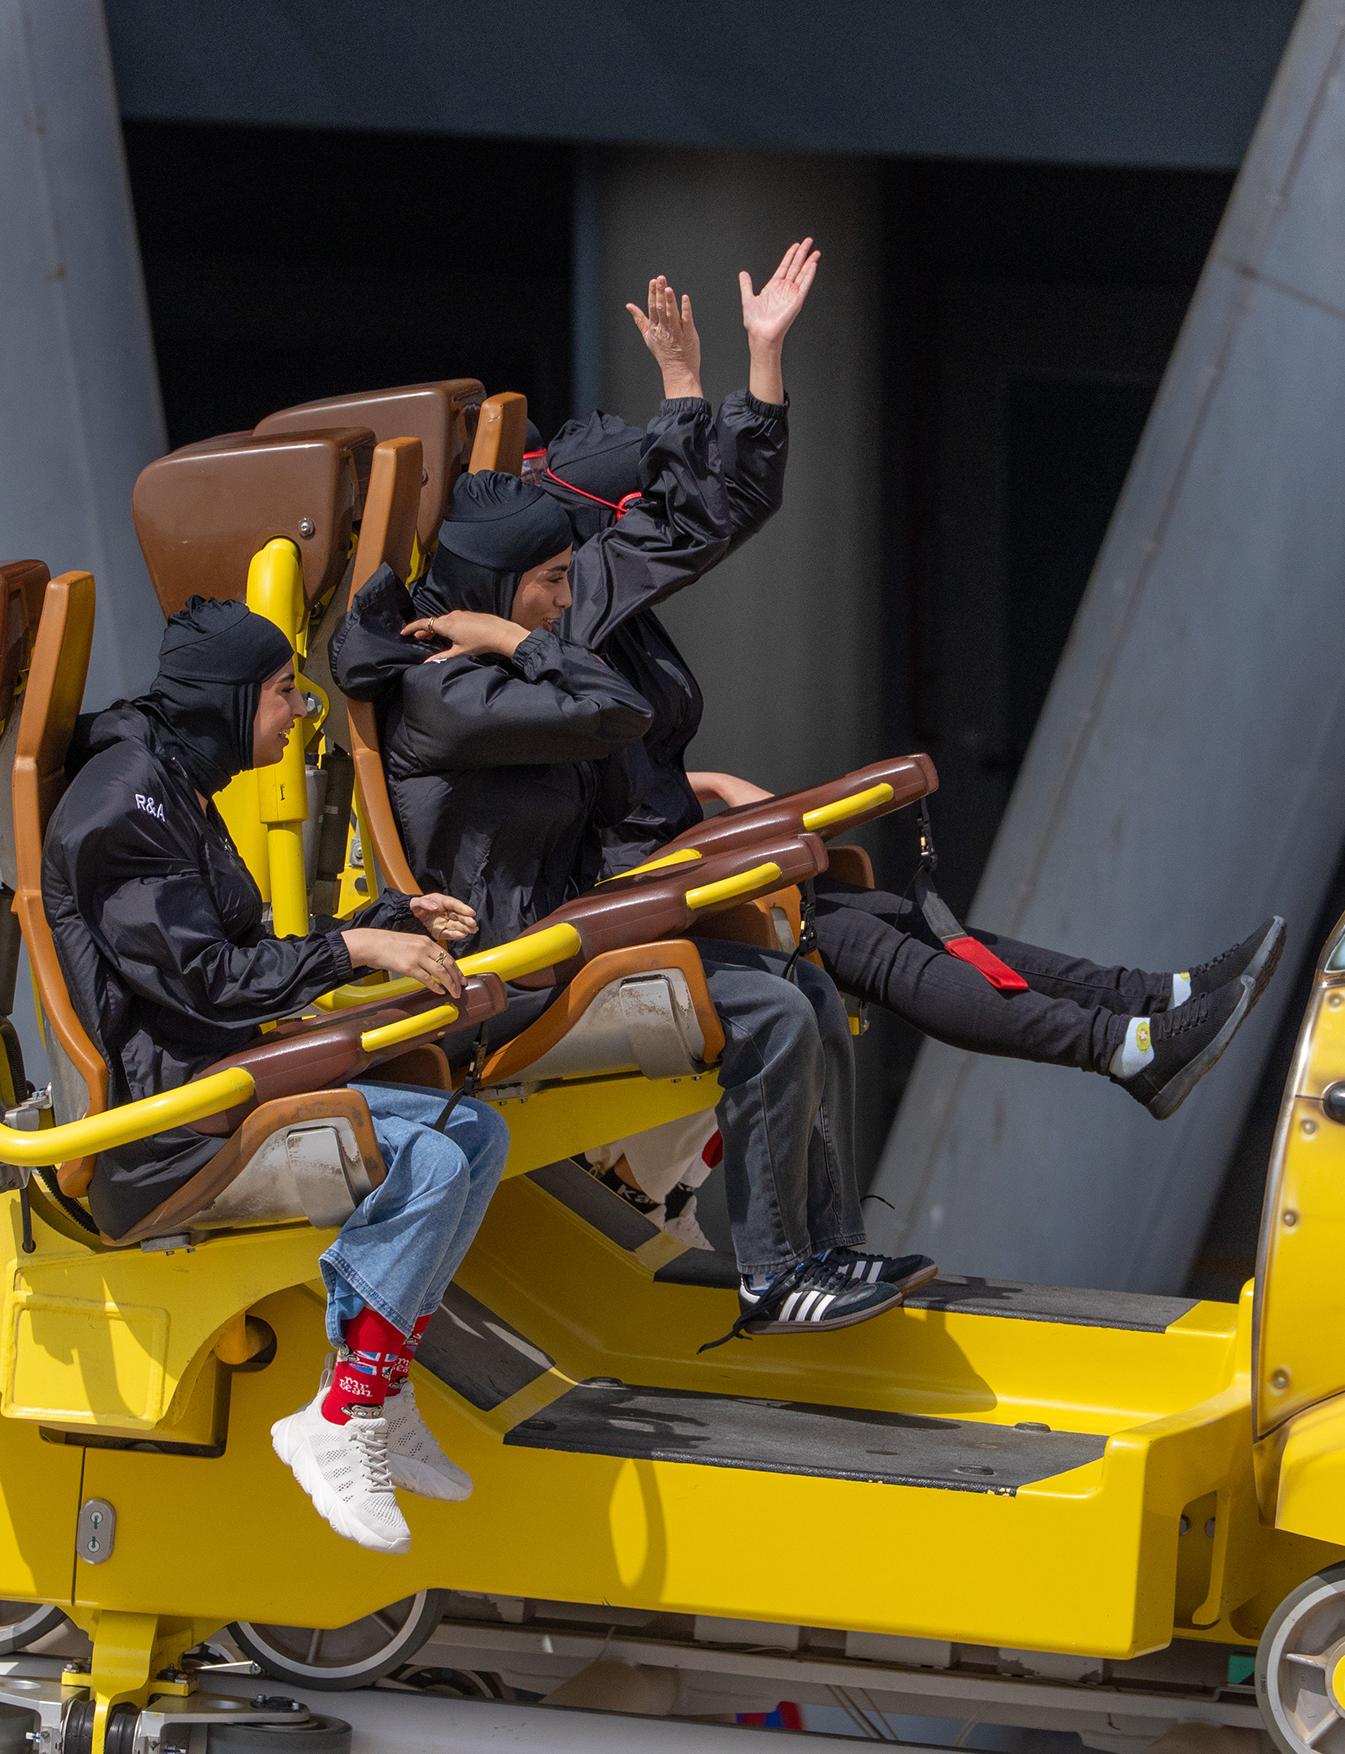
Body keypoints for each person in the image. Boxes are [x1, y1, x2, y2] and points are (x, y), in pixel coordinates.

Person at [535, 244, 1283, 1123]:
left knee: (895, 916)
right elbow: (700, 515)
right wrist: (689, 385)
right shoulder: (569, 610)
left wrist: (750, 363)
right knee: (865, 944)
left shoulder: (592, 604)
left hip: (678, 852)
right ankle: (1122, 1051)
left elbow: (704, 515)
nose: (650, 513)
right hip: (642, 892)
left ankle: (1152, 998)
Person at [329, 453, 925, 1344]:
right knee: (766, 1011)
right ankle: (772, 1276)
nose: (566, 604)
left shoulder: (505, 683)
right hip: (499, 978)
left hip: (561, 942)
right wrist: (512, 640)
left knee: (801, 983)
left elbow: (613, 763)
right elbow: (621, 714)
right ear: (494, 585)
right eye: (550, 583)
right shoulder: (445, 691)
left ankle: (827, 1249)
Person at [48, 600, 503, 1554]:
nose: (299, 711)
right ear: (226, 699)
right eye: (283, 692)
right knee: (428, 1166)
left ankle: (377, 1393)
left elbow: (238, 947)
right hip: (171, 1120)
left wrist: (391, 916)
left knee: (475, 1135)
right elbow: (204, 981)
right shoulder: (124, 804)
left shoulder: (173, 779)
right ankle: (341, 1417)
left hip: (216, 1073)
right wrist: (355, 949)